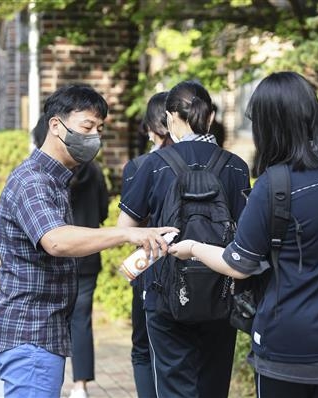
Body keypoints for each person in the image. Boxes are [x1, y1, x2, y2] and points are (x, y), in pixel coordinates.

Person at [169, 71, 318, 398]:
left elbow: (238, 263)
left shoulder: (275, 185)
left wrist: (193, 247)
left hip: (289, 346)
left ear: (270, 124)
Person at [0, 84, 177, 398]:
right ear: (56, 126)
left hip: (42, 333)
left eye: (99, 129)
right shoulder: (33, 180)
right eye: (87, 127)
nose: (94, 138)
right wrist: (127, 232)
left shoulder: (58, 179)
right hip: (31, 333)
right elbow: (56, 241)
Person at [117, 80, 250, 398]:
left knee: (174, 387)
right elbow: (246, 233)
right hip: (221, 291)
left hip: (165, 293)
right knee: (213, 386)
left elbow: (125, 228)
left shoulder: (153, 165)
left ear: (170, 116)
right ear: (211, 114)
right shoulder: (236, 166)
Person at [33, 114, 110, 398]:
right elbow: (103, 211)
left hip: (58, 258)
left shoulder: (51, 178)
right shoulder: (96, 172)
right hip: (88, 256)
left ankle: (55, 379)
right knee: (81, 319)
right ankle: (80, 385)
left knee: (54, 318)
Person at [119, 91, 171, 398]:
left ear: (151, 128)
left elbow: (129, 227)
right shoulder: (209, 162)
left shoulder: (139, 167)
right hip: (199, 266)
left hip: (149, 266)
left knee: (142, 347)